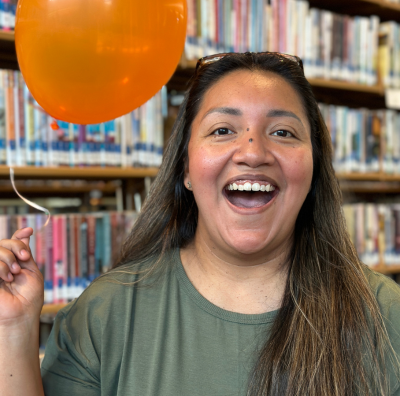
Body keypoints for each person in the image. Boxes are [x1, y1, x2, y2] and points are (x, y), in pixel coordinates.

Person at [0, 52, 400, 396]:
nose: (253, 151)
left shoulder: (385, 316)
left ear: (312, 170)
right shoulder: (106, 315)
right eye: (222, 130)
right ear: (186, 168)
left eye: (282, 132)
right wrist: (13, 329)